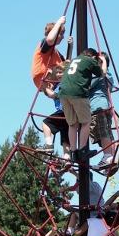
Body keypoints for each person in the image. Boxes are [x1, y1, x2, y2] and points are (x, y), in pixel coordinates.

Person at [31, 16, 74, 155]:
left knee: (64, 122)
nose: (62, 37)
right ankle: (51, 146)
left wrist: (70, 47)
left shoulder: (55, 52)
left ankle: (67, 155)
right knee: (54, 96)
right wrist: (60, 22)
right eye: (61, 34)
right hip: (44, 78)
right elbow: (50, 39)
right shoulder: (45, 45)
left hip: (52, 82)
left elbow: (66, 63)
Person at [59, 48, 107, 160]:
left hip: (63, 94)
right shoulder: (89, 60)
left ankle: (73, 152)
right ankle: (82, 151)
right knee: (86, 122)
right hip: (78, 93)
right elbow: (102, 73)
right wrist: (103, 61)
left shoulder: (74, 60)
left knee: (72, 124)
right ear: (93, 57)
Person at [88, 52, 118, 170]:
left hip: (97, 105)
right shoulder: (109, 75)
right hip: (107, 106)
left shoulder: (98, 74)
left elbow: (88, 85)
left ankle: (107, 156)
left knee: (102, 131)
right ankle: (111, 158)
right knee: (108, 131)